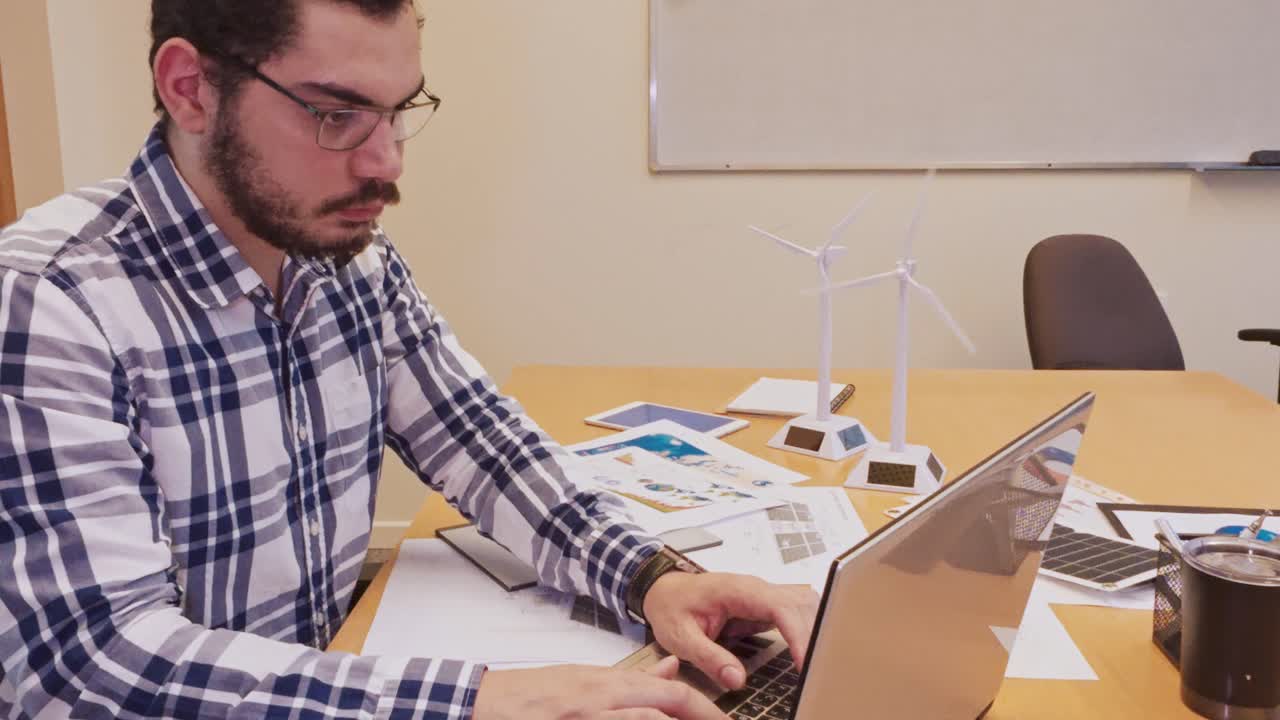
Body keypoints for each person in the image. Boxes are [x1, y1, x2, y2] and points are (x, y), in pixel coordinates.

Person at [0, 1, 818, 718]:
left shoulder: (349, 258)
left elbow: (482, 442)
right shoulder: (49, 303)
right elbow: (92, 667)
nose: (387, 162)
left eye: (399, 111)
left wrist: (652, 578)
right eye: (335, 113)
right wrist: (478, 701)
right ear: (190, 88)